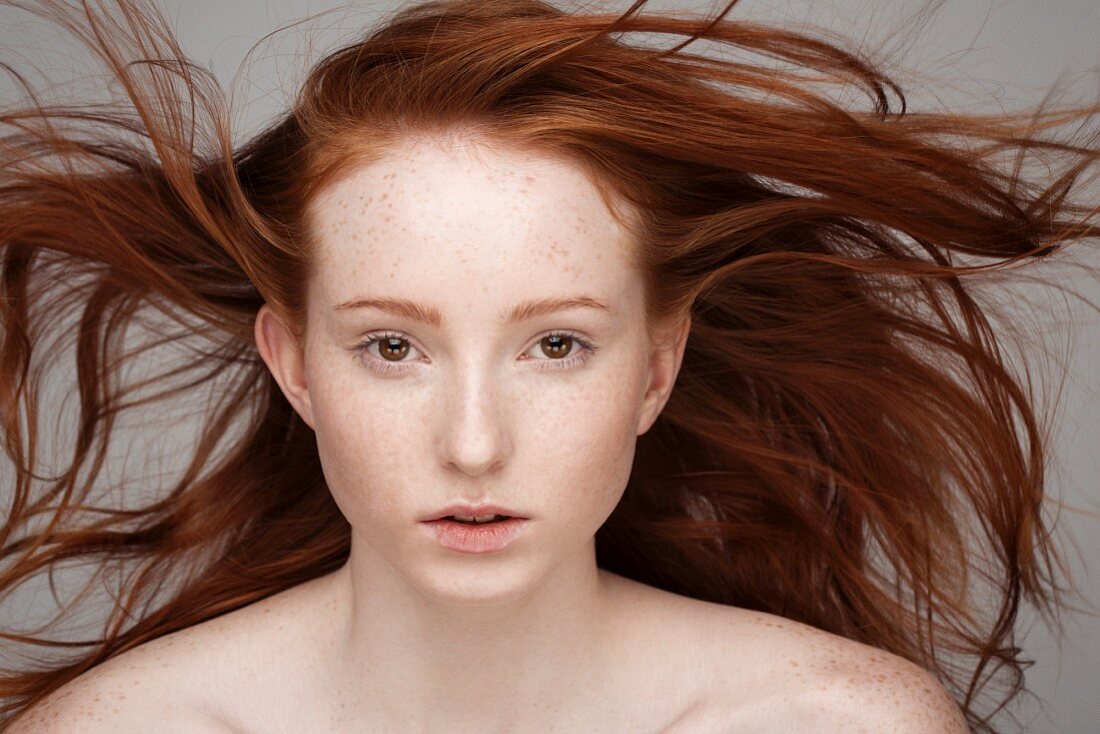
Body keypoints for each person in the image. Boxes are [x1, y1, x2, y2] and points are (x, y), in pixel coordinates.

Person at [0, 0, 1096, 731]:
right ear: (292, 364)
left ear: (656, 368)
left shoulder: (832, 723)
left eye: (556, 344)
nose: (473, 440)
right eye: (392, 346)